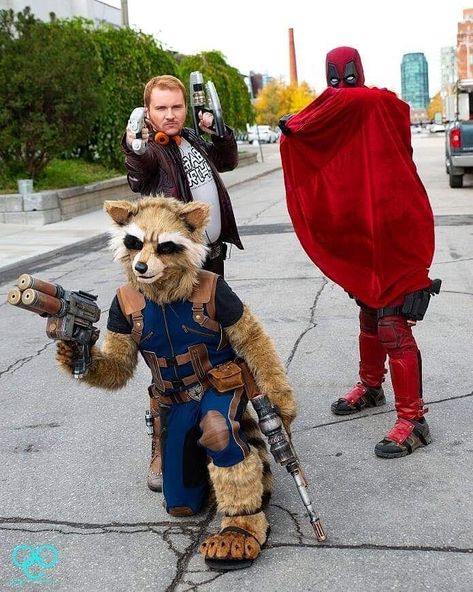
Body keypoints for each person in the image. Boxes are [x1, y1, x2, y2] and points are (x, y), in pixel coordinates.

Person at [279, 47, 440, 459]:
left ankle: (413, 419)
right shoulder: (372, 104)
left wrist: (295, 124)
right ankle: (371, 386)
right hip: (370, 228)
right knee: (370, 310)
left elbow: (333, 107)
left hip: (396, 227)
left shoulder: (372, 102)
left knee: (391, 321)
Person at [122, 74, 243, 492]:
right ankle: (162, 444)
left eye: (176, 107)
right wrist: (134, 145)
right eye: (161, 108)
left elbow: (228, 161)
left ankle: (224, 429)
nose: (170, 115)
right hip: (172, 269)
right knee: (168, 355)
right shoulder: (152, 148)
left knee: (217, 346)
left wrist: (217, 130)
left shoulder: (191, 137)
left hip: (210, 260)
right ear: (148, 111)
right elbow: (139, 171)